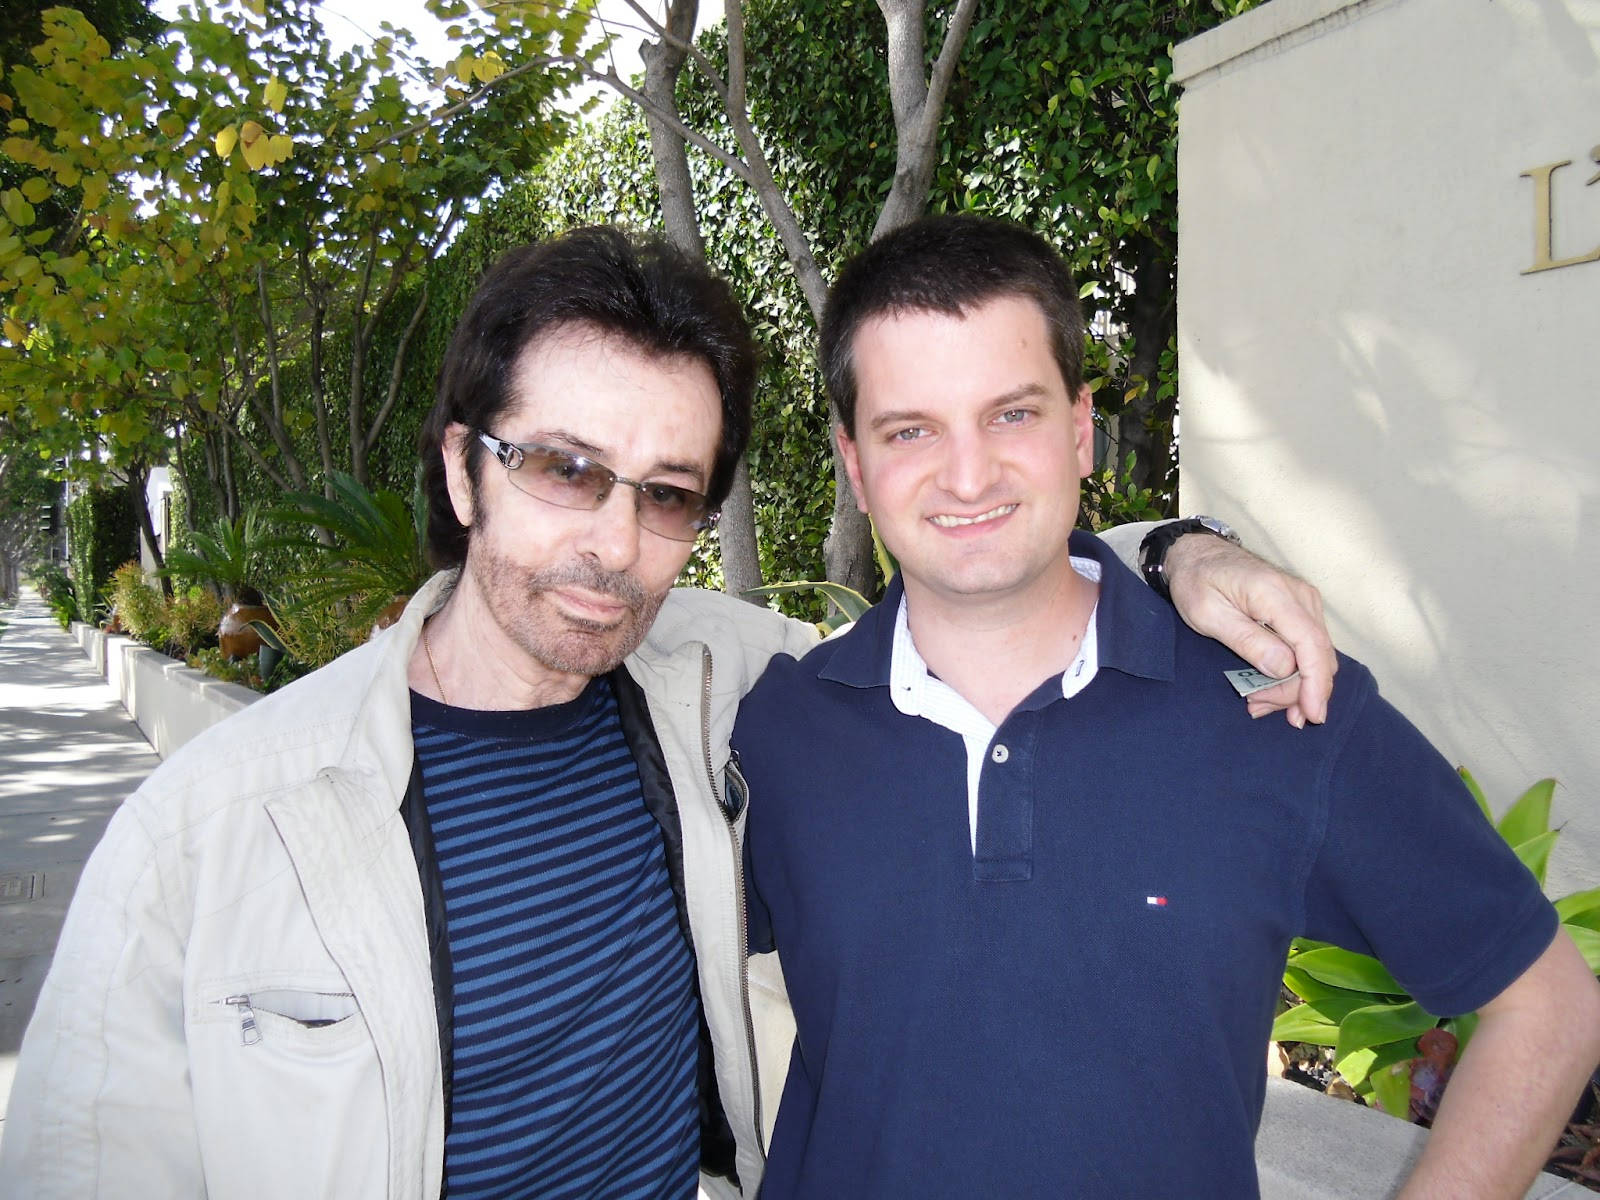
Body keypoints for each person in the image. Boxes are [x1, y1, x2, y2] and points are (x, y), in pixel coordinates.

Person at [0, 226, 1336, 1199]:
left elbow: (986, 590)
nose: (613, 545)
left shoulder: (723, 689)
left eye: (668, 494)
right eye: (565, 472)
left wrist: (1176, 549)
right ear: (466, 466)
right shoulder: (212, 831)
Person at [735, 214, 1600, 1199]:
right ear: (854, 461)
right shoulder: (775, 734)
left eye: (1010, 414)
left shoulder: (1277, 699)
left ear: (1077, 428)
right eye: (911, 430)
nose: (966, 474)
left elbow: (1547, 1004)